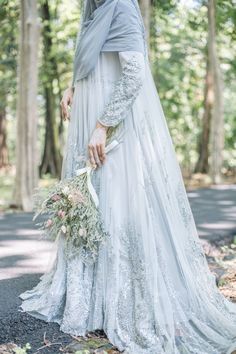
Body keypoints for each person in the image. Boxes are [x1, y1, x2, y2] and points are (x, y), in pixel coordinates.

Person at [19, 1, 236, 353]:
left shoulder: (121, 7)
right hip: (90, 113)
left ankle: (120, 296)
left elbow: (134, 72)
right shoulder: (93, 9)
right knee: (92, 199)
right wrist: (73, 86)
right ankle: (90, 293)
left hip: (111, 123)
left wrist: (103, 126)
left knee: (116, 203)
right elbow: (91, 59)